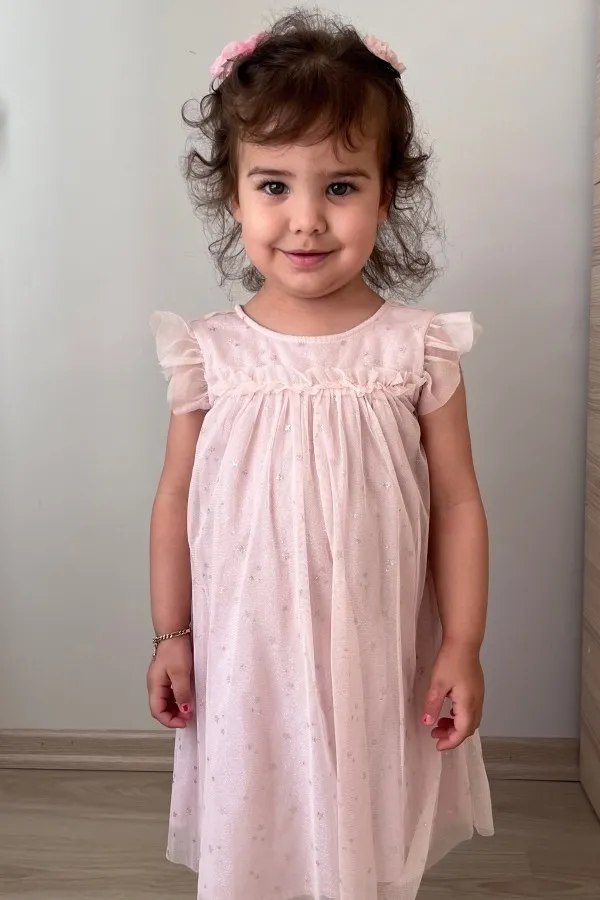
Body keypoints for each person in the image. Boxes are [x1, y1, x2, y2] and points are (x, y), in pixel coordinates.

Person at [147, 9, 493, 900]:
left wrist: (462, 644)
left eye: (340, 186)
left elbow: (458, 502)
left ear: (387, 193)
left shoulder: (418, 348)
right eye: (274, 185)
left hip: (372, 652)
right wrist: (172, 634)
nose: (305, 220)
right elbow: (176, 499)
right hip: (245, 654)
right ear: (233, 195)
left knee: (358, 824)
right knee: (256, 812)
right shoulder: (210, 353)